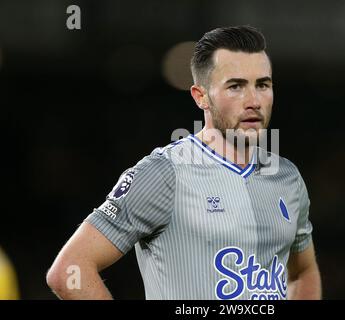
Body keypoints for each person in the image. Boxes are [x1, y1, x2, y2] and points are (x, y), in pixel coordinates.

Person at [46, 25, 321, 300]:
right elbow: (69, 270)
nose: (254, 101)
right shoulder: (164, 173)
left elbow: (302, 272)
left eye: (262, 84)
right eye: (235, 86)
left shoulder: (288, 178)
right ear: (201, 97)